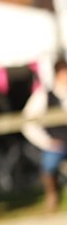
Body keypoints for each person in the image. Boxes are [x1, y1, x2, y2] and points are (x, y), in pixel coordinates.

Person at [21, 58, 67, 211]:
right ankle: (52, 196)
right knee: (49, 163)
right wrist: (47, 142)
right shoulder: (44, 95)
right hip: (56, 144)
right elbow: (26, 122)